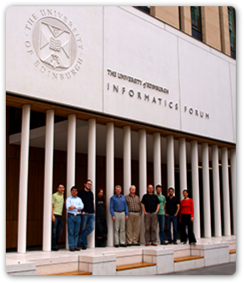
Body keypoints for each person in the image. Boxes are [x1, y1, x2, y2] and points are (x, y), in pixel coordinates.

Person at [78, 179, 95, 250]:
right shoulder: (81, 193)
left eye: (90, 184)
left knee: (91, 228)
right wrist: (81, 211)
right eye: (88, 184)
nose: (89, 185)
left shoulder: (91, 193)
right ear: (85, 184)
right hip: (84, 213)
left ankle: (79, 240)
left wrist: (93, 211)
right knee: (83, 228)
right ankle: (84, 244)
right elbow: (79, 202)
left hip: (91, 213)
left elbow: (91, 202)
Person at [66, 186, 84, 251]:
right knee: (71, 232)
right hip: (71, 216)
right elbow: (68, 207)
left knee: (76, 232)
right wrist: (77, 208)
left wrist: (74, 207)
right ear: (71, 191)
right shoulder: (68, 199)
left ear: (77, 192)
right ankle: (71, 246)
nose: (74, 192)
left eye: (75, 191)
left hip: (78, 216)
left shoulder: (79, 199)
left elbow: (82, 206)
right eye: (73, 191)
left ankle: (75, 245)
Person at [52, 183, 65, 251]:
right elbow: (52, 205)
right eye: (60, 187)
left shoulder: (63, 195)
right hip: (55, 214)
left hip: (60, 215)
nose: (61, 189)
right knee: (54, 231)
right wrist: (52, 215)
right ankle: (54, 245)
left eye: (62, 187)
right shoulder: (54, 195)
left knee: (60, 231)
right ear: (57, 189)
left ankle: (55, 243)